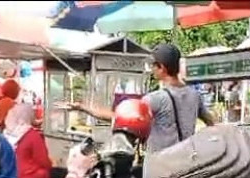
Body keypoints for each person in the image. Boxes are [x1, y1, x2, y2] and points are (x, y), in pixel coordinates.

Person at [67, 43, 214, 154]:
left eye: (153, 66)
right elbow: (211, 122)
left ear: (161, 68)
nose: (152, 70)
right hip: (186, 161)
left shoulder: (156, 99)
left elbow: (121, 118)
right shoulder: (194, 95)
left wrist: (82, 107)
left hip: (161, 167)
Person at [3, 103, 53, 178]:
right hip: (25, 175)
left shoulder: (7, 133)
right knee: (54, 175)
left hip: (9, 174)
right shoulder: (32, 135)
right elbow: (43, 161)